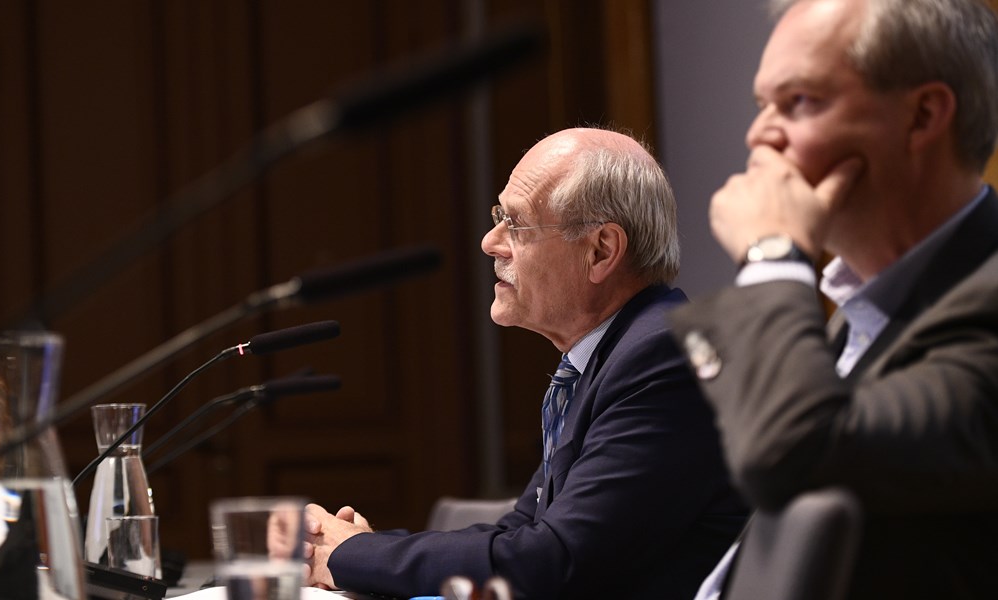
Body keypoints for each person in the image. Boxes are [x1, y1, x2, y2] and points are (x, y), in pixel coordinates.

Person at [299, 127, 748, 599]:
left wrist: (349, 555)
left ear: (601, 250)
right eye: (499, 216)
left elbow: (549, 563)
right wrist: (359, 550)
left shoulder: (662, 357)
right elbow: (522, 532)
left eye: (516, 223)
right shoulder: (608, 355)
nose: (490, 242)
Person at [668, 0, 998, 597]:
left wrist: (772, 255)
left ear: (922, 117)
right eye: (761, 105)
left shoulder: (984, 300)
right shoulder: (861, 313)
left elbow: (795, 454)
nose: (758, 134)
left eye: (799, 102)